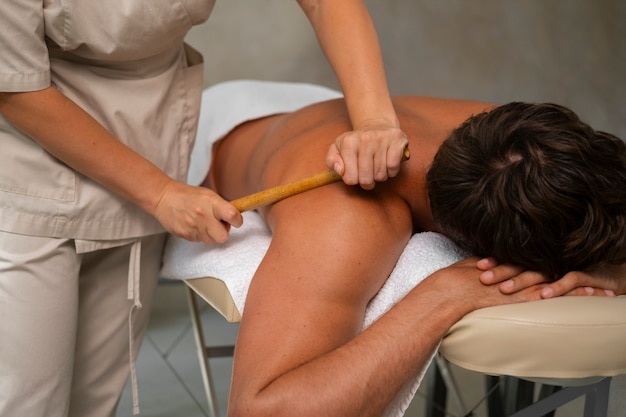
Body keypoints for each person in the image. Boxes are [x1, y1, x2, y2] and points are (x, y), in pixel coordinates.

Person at [0, 2, 407, 417]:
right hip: (30, 160)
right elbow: (16, 89)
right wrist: (159, 194)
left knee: (93, 403)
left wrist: (375, 119)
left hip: (150, 136)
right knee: (24, 403)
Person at [199, 80, 626, 417]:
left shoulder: (518, 143)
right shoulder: (343, 219)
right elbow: (260, 410)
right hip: (205, 138)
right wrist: (440, 297)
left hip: (299, 106)